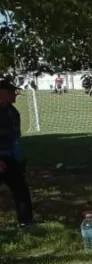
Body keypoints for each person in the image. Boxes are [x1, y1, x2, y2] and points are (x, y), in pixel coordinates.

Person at [0, 80, 34, 227]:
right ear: (3, 93)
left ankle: (26, 221)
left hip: (11, 157)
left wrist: (18, 156)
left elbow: (15, 137)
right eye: (12, 92)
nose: (15, 95)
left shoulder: (12, 111)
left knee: (21, 189)